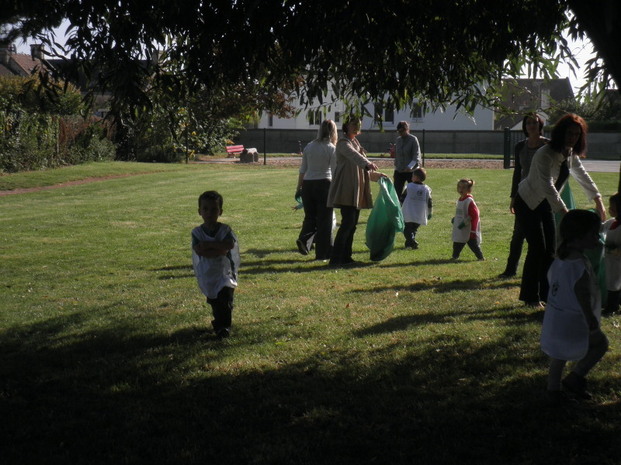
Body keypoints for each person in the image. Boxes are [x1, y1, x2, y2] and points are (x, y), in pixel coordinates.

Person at [513, 113, 606, 308]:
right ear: (560, 133)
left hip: (545, 204)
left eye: (576, 134)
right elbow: (547, 185)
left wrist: (598, 200)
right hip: (527, 202)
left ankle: (546, 294)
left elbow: (582, 175)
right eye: (569, 133)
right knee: (537, 247)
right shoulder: (545, 153)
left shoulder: (570, 154)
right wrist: (565, 213)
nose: (572, 137)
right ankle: (530, 297)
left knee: (551, 250)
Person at [540, 210, 608, 402]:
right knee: (600, 345)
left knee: (559, 356)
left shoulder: (560, 259)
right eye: (594, 234)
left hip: (556, 317)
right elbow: (583, 298)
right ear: (578, 238)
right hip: (573, 320)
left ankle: (553, 390)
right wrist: (592, 324)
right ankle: (576, 377)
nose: (597, 238)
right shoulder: (578, 267)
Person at [327, 116, 385, 267]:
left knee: (352, 225)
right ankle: (335, 259)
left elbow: (362, 167)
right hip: (346, 189)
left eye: (357, 124)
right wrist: (368, 163)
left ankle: (346, 257)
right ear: (346, 126)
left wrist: (377, 176)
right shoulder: (342, 143)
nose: (355, 127)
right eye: (352, 124)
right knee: (347, 224)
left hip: (356, 189)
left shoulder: (355, 143)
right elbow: (355, 157)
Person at [500, 113, 549, 277]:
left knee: (541, 237)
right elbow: (517, 173)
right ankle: (510, 270)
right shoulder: (520, 146)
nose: (531, 126)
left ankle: (542, 272)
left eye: (534, 123)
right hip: (523, 194)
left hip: (542, 195)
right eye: (528, 123)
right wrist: (513, 197)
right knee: (518, 235)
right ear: (525, 126)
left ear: (540, 125)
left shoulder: (547, 145)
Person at [191, 191, 240, 339]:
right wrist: (217, 249)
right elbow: (199, 250)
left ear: (220, 211)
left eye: (214, 209)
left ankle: (224, 327)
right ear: (200, 211)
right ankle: (218, 322)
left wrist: (210, 245)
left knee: (225, 298)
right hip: (208, 273)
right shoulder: (197, 232)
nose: (209, 213)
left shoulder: (225, 230)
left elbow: (228, 245)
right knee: (215, 301)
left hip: (225, 272)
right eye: (205, 209)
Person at [295, 119, 338, 260]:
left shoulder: (309, 146)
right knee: (325, 221)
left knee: (310, 217)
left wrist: (298, 188)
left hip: (308, 184)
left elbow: (303, 169)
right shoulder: (331, 148)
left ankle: (304, 239)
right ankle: (323, 253)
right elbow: (334, 170)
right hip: (324, 184)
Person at [451, 178, 484, 261]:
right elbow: (461, 213)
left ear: (469, 189)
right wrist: (455, 219)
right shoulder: (460, 200)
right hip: (460, 227)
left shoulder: (469, 201)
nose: (461, 189)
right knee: (457, 242)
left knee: (472, 244)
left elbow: (474, 215)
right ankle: (455, 256)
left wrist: (465, 223)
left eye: (463, 188)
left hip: (468, 228)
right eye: (459, 187)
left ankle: (480, 257)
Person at [401, 167, 432, 249]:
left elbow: (402, 198)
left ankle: (412, 240)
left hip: (409, 212)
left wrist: (399, 206)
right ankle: (409, 245)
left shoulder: (409, 186)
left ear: (416, 177)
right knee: (414, 229)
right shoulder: (426, 189)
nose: (411, 177)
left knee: (407, 228)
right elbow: (429, 202)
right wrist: (429, 212)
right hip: (420, 213)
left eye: (412, 176)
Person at [602, 192, 621, 314]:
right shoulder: (611, 222)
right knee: (612, 282)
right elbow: (601, 227)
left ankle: (612, 307)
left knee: (614, 284)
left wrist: (610, 249)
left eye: (613, 209)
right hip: (611, 261)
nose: (609, 210)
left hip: (617, 262)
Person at [393, 121, 422, 202]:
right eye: (399, 132)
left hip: (411, 172)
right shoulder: (398, 140)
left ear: (407, 129)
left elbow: (416, 156)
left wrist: (410, 167)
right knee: (396, 193)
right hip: (399, 171)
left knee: (412, 193)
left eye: (402, 131)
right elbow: (397, 155)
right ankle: (397, 210)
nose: (400, 133)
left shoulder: (413, 139)